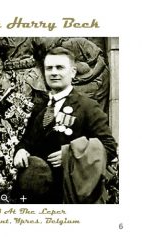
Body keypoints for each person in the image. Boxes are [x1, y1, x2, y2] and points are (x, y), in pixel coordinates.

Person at [13, 47, 117, 203]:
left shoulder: (88, 106)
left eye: (60, 67)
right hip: (34, 197)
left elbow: (109, 147)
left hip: (69, 196)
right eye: (49, 68)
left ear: (73, 72)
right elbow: (26, 141)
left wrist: (71, 155)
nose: (54, 73)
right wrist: (20, 150)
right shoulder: (39, 107)